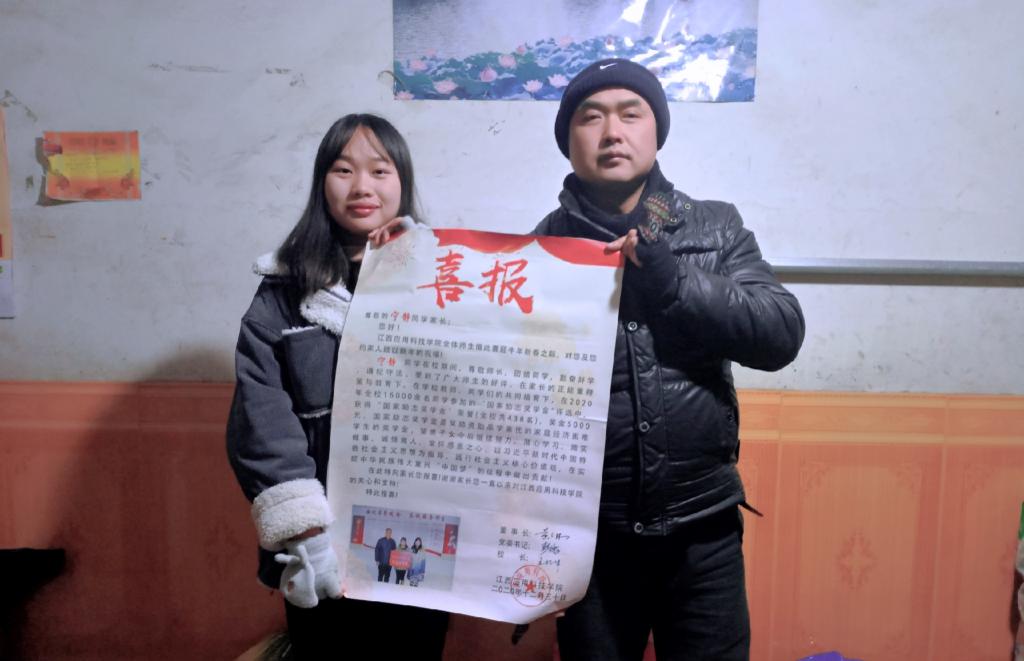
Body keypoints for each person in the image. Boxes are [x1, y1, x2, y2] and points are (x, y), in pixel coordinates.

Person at [532, 59, 805, 660]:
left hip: (703, 529)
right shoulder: (540, 249)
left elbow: (781, 333)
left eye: (631, 114)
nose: (612, 132)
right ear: (567, 140)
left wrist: (676, 281)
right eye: (591, 117)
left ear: (656, 132)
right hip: (589, 539)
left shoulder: (716, 226)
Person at [226, 113, 449, 659]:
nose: (362, 186)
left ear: (402, 182)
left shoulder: (444, 279)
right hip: (321, 543)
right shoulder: (282, 292)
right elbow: (262, 422)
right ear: (322, 182)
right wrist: (306, 533)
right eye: (344, 170)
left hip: (420, 531)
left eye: (380, 170)